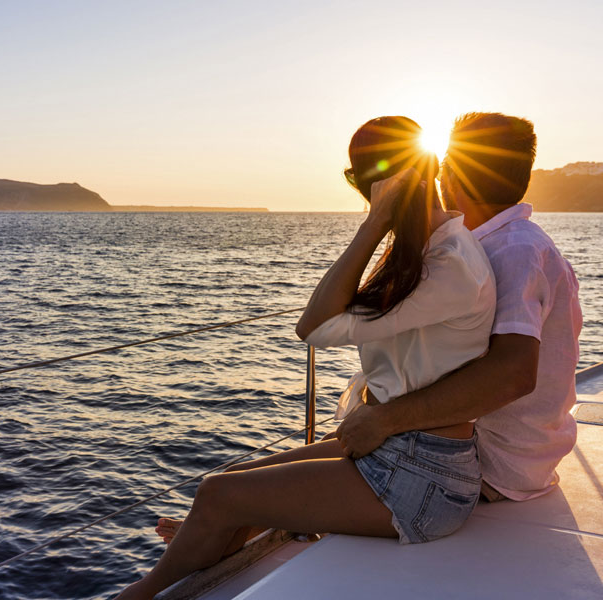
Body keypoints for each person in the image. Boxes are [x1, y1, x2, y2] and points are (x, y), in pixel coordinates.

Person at [115, 116, 496, 600]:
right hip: (398, 452)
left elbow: (312, 328)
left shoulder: (449, 265)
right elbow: (325, 322)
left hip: (424, 481)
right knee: (232, 485)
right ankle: (200, 557)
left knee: (218, 495)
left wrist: (375, 222)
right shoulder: (425, 250)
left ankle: (139, 595)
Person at [335, 112, 582, 503]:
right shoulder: (501, 244)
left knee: (245, 497)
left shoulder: (515, 251)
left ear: (451, 175)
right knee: (256, 485)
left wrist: (385, 419)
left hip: (487, 464)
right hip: (487, 453)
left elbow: (513, 374)